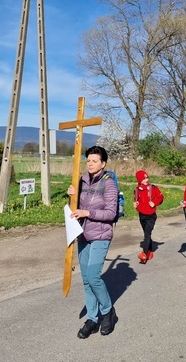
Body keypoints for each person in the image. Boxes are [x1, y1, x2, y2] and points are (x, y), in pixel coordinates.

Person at [67, 145, 118, 338]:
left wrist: (87, 212)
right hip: (83, 234)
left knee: (94, 277)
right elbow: (76, 206)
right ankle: (92, 318)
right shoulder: (81, 181)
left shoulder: (109, 184)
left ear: (103, 163)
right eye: (88, 160)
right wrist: (71, 195)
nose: (90, 163)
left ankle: (107, 312)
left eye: (94, 160)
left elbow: (111, 213)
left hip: (101, 235)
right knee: (86, 279)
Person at [134, 170, 164, 264]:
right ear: (139, 180)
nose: (146, 180)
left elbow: (161, 197)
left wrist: (154, 203)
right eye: (144, 178)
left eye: (147, 177)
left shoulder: (153, 188)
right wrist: (135, 203)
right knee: (147, 234)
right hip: (141, 214)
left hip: (151, 215)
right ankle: (150, 251)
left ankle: (144, 254)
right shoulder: (137, 190)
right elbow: (136, 199)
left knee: (147, 234)